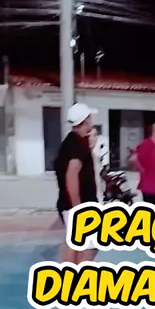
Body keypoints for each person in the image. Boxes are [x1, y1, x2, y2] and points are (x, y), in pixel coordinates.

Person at [54, 102, 98, 264]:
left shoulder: (73, 142)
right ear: (85, 120)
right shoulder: (77, 144)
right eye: (90, 117)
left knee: (79, 245)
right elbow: (71, 175)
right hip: (79, 205)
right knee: (86, 248)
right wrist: (78, 208)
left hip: (74, 204)